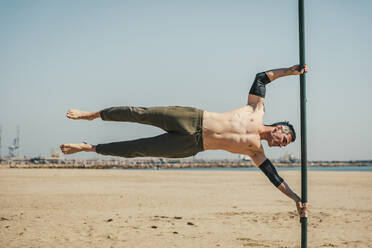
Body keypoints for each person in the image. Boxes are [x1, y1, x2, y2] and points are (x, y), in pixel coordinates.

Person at [60, 64, 308, 217]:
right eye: (284, 139)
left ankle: (88, 147)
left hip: (191, 146)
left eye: (285, 144)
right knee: (140, 114)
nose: (282, 144)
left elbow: (275, 178)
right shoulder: (257, 109)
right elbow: (261, 77)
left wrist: (296, 200)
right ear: (278, 128)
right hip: (192, 118)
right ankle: (92, 115)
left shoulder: (256, 152)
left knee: (140, 149)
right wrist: (291, 71)